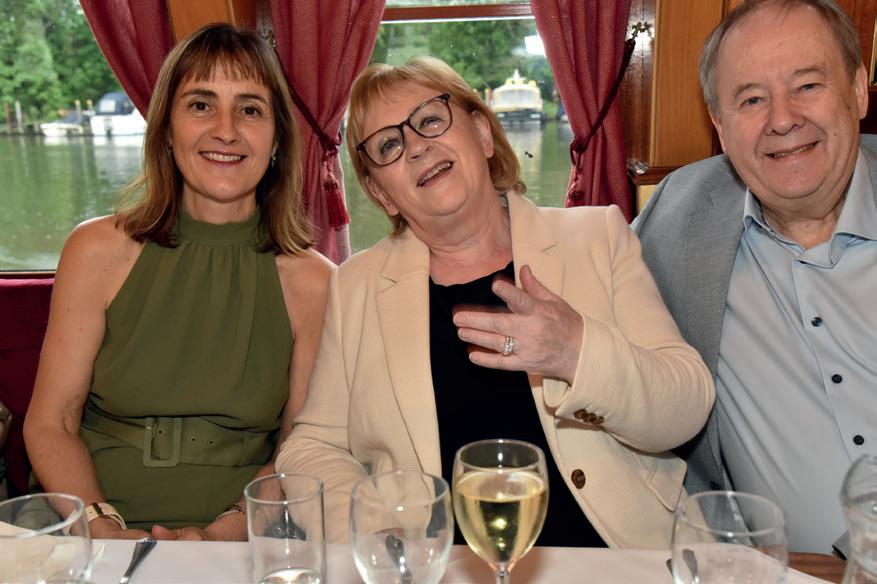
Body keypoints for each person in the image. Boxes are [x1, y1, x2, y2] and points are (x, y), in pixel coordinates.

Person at [276, 56, 715, 548]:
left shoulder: (597, 236)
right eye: (389, 146)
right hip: (443, 569)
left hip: (613, 558)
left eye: (430, 120)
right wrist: (370, 527)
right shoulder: (355, 286)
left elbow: (686, 406)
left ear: (483, 134)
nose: (417, 147)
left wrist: (575, 352)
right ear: (382, 195)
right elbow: (311, 447)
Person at [23, 24, 332, 541]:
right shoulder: (94, 250)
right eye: (201, 105)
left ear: (277, 138)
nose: (226, 130)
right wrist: (101, 528)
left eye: (250, 109)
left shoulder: (316, 282)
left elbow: (299, 450)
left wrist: (218, 538)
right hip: (83, 516)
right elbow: (52, 423)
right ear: (166, 128)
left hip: (246, 530)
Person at [634, 0, 876, 554]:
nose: (782, 119)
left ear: (858, 90)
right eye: (751, 99)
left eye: (807, 85)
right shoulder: (680, 216)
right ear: (719, 126)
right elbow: (584, 281)